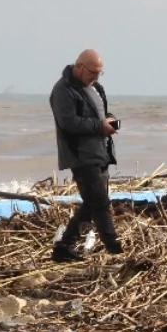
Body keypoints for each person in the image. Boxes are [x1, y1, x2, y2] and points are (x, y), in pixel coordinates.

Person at [49, 49, 123, 262]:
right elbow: (69, 123)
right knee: (100, 203)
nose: (96, 77)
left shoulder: (96, 87)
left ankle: (64, 246)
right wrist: (100, 127)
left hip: (102, 152)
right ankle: (115, 248)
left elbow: (102, 115)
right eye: (93, 72)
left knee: (91, 203)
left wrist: (109, 121)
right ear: (79, 67)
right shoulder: (63, 90)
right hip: (81, 156)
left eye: (100, 73)